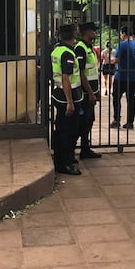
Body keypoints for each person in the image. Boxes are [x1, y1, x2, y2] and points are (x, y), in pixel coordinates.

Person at [50, 25, 84, 175]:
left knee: (62, 129)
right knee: (68, 131)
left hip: (59, 94)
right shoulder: (67, 53)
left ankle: (61, 160)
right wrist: (70, 102)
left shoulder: (57, 50)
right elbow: (66, 78)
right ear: (72, 36)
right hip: (67, 97)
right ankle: (64, 163)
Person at [74, 22, 102, 160]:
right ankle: (74, 149)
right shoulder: (80, 48)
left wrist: (97, 92)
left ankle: (85, 148)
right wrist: (90, 92)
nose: (95, 33)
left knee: (89, 120)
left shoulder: (88, 47)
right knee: (82, 121)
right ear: (86, 32)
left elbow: (93, 71)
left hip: (91, 90)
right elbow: (81, 72)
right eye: (93, 31)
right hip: (85, 93)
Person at [110, 26, 135, 129]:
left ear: (123, 33)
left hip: (121, 76)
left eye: (121, 34)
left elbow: (116, 60)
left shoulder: (121, 45)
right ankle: (130, 122)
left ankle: (116, 120)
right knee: (131, 99)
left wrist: (112, 59)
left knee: (116, 98)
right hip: (133, 76)